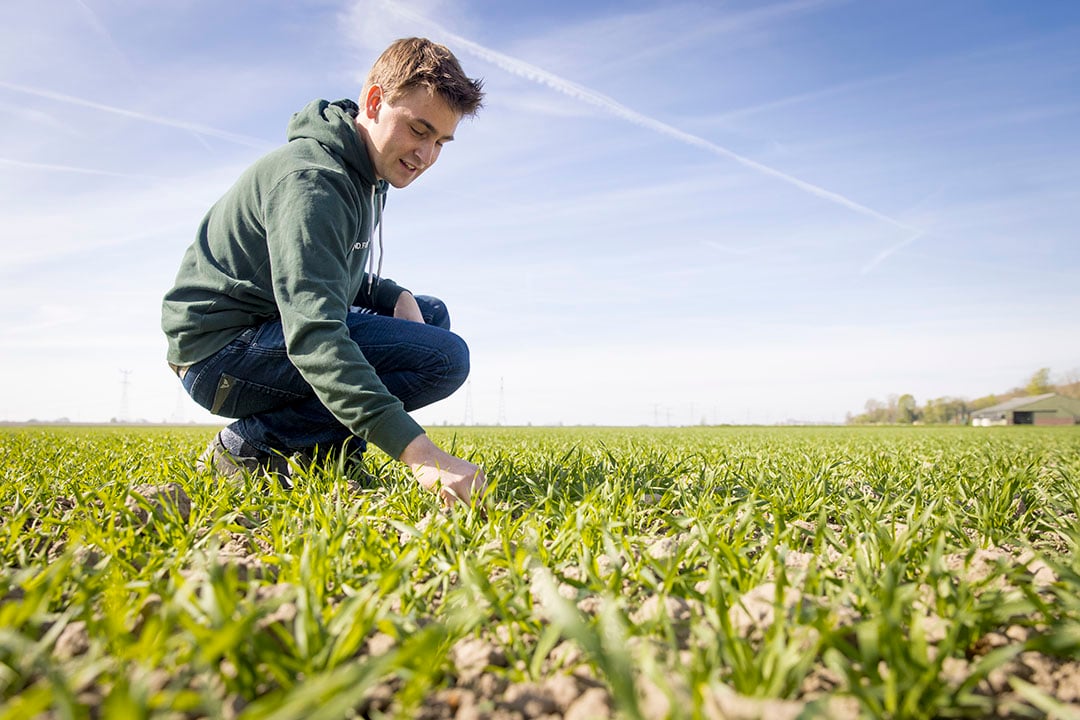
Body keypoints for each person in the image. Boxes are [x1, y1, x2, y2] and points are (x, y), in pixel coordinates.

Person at [161, 37, 486, 506]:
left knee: (430, 316)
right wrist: (423, 457)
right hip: (218, 356)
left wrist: (392, 294)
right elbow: (315, 333)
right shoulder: (312, 180)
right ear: (374, 102)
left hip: (266, 329)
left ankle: (326, 452)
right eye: (418, 129)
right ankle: (249, 446)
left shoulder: (367, 172)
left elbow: (330, 269)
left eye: (440, 141)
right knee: (444, 358)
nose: (426, 155)